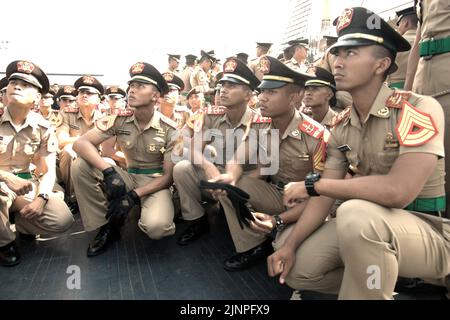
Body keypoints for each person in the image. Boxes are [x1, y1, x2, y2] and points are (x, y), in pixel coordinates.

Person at [268, 7, 449, 300]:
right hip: (371, 231)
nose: (337, 62)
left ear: (381, 65)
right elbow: (324, 199)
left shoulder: (418, 110)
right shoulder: (342, 125)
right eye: (337, 53)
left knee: (355, 213)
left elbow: (398, 191)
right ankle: (380, 287)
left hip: (428, 232)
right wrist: (289, 246)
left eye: (351, 53)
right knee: (299, 269)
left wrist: (314, 184)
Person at [211, 56, 326, 271]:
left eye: (271, 92)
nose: (262, 98)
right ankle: (252, 246)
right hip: (275, 193)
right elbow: (237, 159)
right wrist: (229, 177)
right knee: (230, 185)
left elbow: (324, 197)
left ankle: (275, 231)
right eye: (262, 91)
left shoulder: (316, 136)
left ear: (294, 98)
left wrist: (278, 220)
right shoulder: (260, 125)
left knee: (293, 258)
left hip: (306, 204)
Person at [71, 62, 178, 257]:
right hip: (127, 175)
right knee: (80, 165)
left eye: (140, 86)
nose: (132, 91)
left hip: (155, 182)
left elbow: (168, 177)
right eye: (132, 86)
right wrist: (108, 170)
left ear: (155, 96)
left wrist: (134, 195)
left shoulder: (170, 129)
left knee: (157, 227)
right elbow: (80, 144)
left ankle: (169, 207)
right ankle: (107, 227)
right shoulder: (119, 119)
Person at [173, 57, 270, 246]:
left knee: (230, 186)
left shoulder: (260, 123)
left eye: (232, 85)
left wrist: (232, 183)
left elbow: (263, 171)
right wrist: (209, 169)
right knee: (182, 168)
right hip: (215, 178)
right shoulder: (211, 115)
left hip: (244, 183)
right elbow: (193, 149)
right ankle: (197, 220)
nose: (223, 89)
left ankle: (252, 243)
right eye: (223, 84)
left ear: (248, 95)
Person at [0, 60, 73, 266]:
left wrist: (41, 198)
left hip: (25, 187)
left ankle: (23, 224)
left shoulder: (42, 127)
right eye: (13, 82)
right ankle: (4, 243)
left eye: (26, 84)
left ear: (38, 97)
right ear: (5, 90)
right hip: (2, 185)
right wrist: (6, 177)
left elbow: (48, 170)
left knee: (62, 219)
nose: (17, 86)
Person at [405, 0, 450, 219]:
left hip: (447, 86)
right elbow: (418, 44)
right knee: (428, 167)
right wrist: (407, 91)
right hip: (423, 92)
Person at [57, 76, 105, 209]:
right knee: (67, 152)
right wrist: (86, 141)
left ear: (99, 99)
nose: (84, 95)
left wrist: (82, 141)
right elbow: (61, 141)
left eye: (89, 93)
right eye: (81, 92)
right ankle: (73, 198)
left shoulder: (105, 118)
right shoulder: (67, 114)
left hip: (97, 156)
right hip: (74, 154)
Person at [388, 6, 417, 89]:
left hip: (398, 94)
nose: (398, 28)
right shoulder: (426, 42)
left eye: (399, 24)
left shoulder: (393, 45)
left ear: (405, 23)